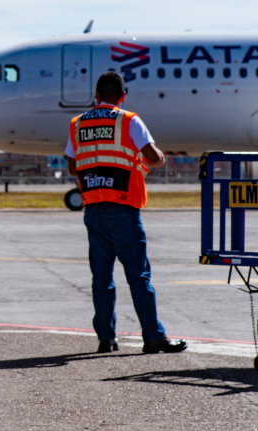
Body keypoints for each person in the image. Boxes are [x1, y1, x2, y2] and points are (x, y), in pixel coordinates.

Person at [65, 71, 187, 355]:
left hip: (93, 208)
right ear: (122, 97)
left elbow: (72, 167)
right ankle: (153, 336)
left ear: (95, 96)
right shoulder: (129, 120)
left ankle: (106, 339)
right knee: (138, 276)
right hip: (123, 207)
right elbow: (154, 158)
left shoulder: (77, 124)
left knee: (101, 279)